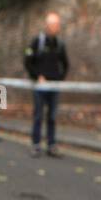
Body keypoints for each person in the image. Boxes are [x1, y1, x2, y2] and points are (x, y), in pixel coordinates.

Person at [24, 12, 69, 157]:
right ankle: (36, 144)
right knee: (38, 115)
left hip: (54, 86)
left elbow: (66, 64)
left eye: (58, 24)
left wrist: (59, 79)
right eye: (55, 24)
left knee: (52, 116)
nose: (57, 27)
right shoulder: (37, 41)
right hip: (40, 87)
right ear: (48, 25)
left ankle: (51, 144)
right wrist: (37, 76)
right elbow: (27, 61)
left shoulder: (59, 44)